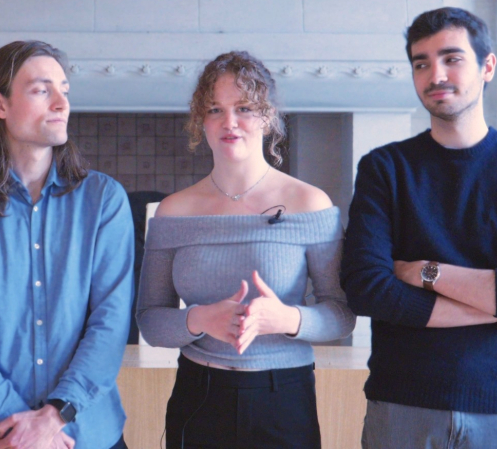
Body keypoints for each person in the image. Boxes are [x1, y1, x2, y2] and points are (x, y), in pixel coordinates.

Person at [137, 50, 356, 449]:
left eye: (244, 108)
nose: (230, 122)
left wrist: (287, 318)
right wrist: (200, 319)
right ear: (199, 121)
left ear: (268, 115)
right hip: (198, 393)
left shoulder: (310, 204)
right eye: (215, 109)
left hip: (283, 396)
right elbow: (150, 321)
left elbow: (341, 315)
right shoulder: (173, 211)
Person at [0, 40, 134, 449]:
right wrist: (20, 428)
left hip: (88, 436)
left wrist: (54, 417)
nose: (61, 103)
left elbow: (110, 325)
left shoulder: (104, 199)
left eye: (64, 90)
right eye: (42, 90)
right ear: (0, 104)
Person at [341, 6, 497, 448]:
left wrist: (424, 271)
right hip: (402, 401)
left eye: (451, 58)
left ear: (488, 66)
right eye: (421, 63)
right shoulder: (384, 168)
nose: (435, 73)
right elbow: (366, 287)